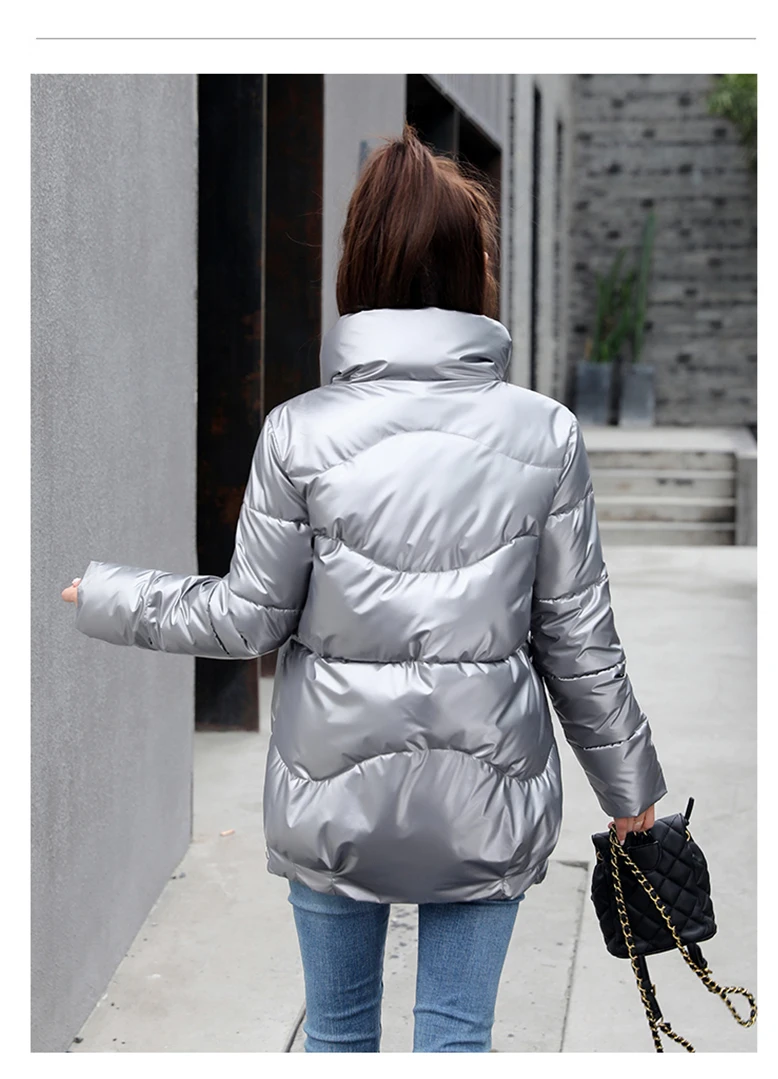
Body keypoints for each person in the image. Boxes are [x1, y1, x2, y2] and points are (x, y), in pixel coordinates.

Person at [62, 123, 666, 1053]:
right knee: (456, 1043)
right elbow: (578, 639)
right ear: (474, 274)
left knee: (338, 1041)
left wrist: (114, 596)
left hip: (331, 796)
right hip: (487, 798)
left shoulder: (297, 432)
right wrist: (630, 787)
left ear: (358, 267)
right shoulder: (544, 434)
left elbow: (248, 618)